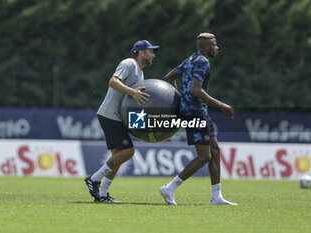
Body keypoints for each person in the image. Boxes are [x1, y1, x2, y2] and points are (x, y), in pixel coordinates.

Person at [160, 33, 237, 205]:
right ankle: (169, 188)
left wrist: (180, 100)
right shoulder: (202, 61)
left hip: (197, 112)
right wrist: (221, 104)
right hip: (195, 114)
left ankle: (216, 196)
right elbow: (196, 90)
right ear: (206, 47)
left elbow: (169, 77)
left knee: (215, 151)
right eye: (215, 45)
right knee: (204, 157)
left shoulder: (190, 59)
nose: (217, 47)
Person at [85, 40, 159, 202]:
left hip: (116, 116)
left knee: (117, 156)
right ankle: (94, 179)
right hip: (110, 114)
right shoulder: (129, 63)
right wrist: (132, 92)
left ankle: (103, 194)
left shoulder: (140, 72)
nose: (153, 55)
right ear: (141, 52)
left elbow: (133, 102)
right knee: (128, 152)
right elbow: (113, 81)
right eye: (150, 51)